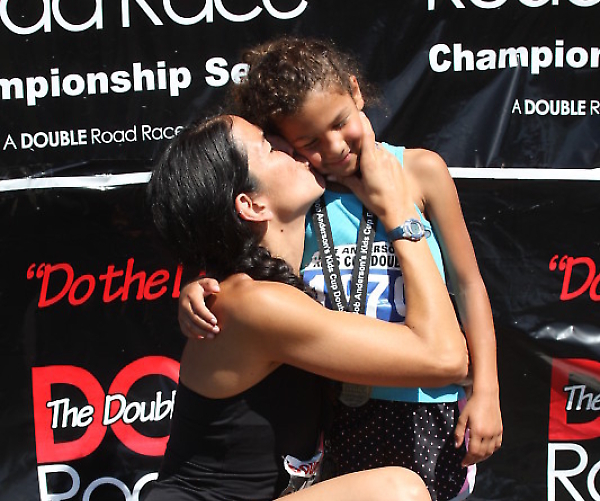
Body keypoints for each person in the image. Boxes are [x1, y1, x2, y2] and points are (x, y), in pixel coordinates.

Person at [179, 37, 502, 501]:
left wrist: (487, 391)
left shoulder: (420, 171)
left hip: (431, 407)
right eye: (308, 142)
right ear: (286, 143)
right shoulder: (303, 194)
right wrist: (197, 287)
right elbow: (246, 261)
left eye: (339, 122)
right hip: (339, 413)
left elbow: (469, 285)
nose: (333, 148)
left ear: (355, 91)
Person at [145, 112, 468, 501]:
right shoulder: (254, 303)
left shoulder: (258, 291)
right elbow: (445, 358)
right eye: (269, 146)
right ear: (251, 204)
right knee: (398, 493)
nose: (294, 147)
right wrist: (400, 213)